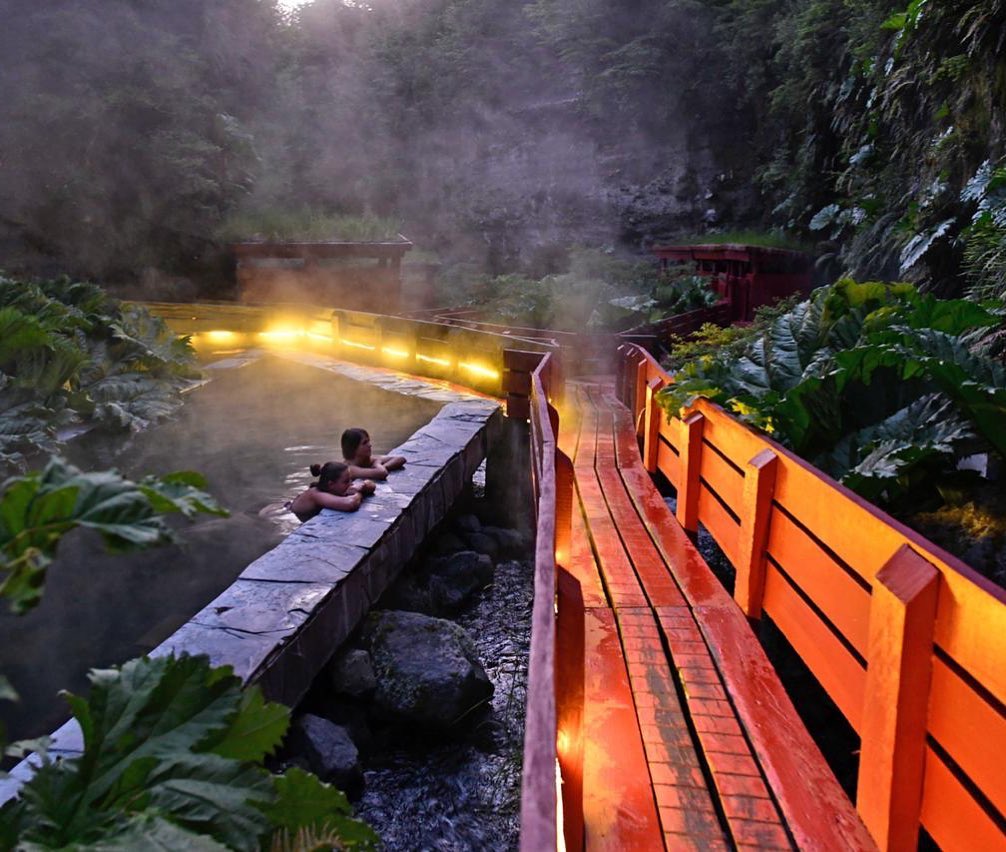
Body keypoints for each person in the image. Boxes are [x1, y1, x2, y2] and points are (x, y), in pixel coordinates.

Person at [287, 461, 376, 523]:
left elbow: (372, 485)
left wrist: (363, 486)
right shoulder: (316, 494)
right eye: (346, 481)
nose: (351, 484)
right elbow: (350, 504)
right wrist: (359, 493)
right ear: (331, 484)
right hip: (288, 513)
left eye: (350, 480)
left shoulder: (336, 488)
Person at [341, 427, 406, 480]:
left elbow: (400, 459)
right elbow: (382, 473)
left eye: (368, 441)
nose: (370, 445)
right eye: (364, 443)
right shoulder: (350, 469)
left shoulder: (366, 460)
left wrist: (384, 466)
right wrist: (377, 464)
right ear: (353, 448)